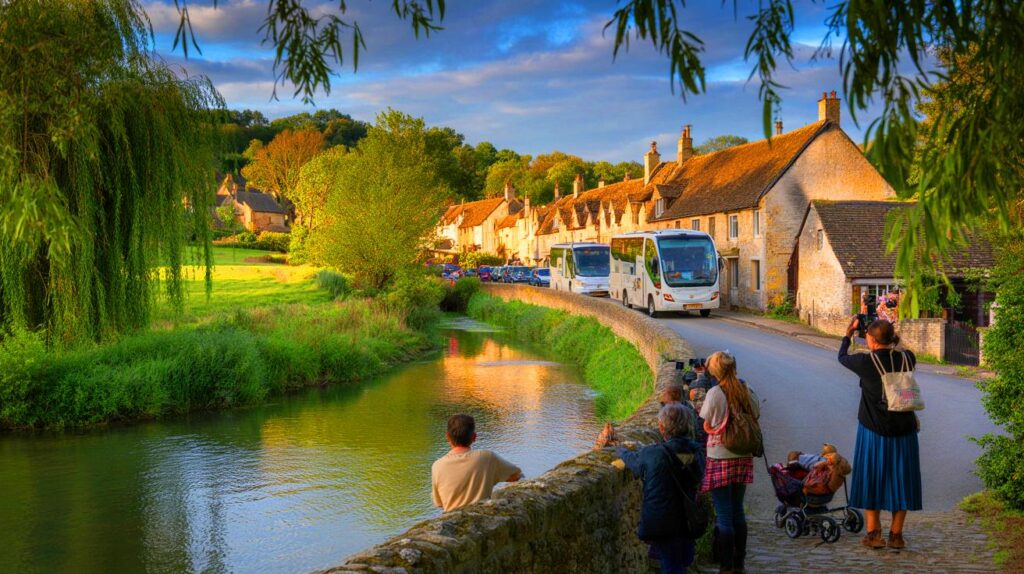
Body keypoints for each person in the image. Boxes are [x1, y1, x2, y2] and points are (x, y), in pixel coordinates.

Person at [839, 317, 922, 550]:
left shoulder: (866, 362)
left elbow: (842, 357)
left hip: (873, 430)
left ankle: (874, 534)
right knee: (902, 480)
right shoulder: (908, 358)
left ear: (872, 340)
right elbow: (899, 349)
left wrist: (849, 333)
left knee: (871, 478)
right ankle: (896, 536)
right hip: (904, 430)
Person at [602, 404, 705, 574]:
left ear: (662, 427)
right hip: (687, 518)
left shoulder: (654, 454)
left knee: (671, 566)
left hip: (663, 519)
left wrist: (619, 449)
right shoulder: (695, 452)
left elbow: (634, 461)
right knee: (679, 561)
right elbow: (688, 465)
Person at [699, 351, 759, 574]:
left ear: (715, 371)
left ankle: (725, 567)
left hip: (720, 456)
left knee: (724, 515)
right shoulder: (746, 389)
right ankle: (739, 564)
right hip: (742, 456)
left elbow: (708, 420)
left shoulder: (715, 393)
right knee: (737, 512)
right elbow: (756, 412)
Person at [431, 414, 522, 512]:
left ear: (447, 437)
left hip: (451, 523)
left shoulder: (437, 466)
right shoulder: (487, 457)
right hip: (482, 520)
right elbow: (516, 475)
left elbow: (439, 503)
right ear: (474, 437)